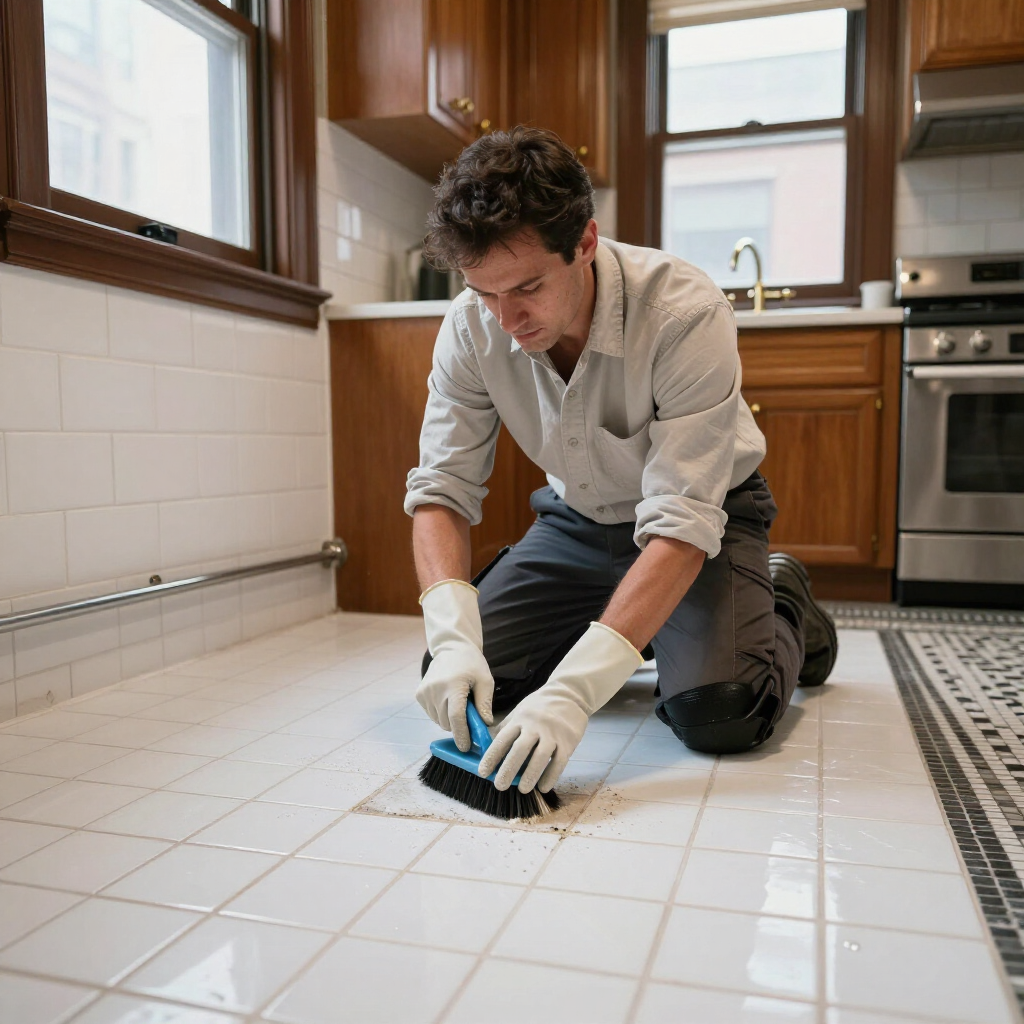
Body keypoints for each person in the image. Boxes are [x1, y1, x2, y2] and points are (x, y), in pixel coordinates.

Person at [405, 126, 837, 798]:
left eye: (526, 287)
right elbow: (441, 491)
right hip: (578, 521)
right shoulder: (471, 326)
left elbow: (683, 520)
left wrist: (575, 694)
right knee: (466, 680)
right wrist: (454, 634)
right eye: (485, 293)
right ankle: (640, 627)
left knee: (717, 712)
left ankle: (782, 601)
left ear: (584, 243)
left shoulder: (682, 311)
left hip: (703, 523)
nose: (506, 318)